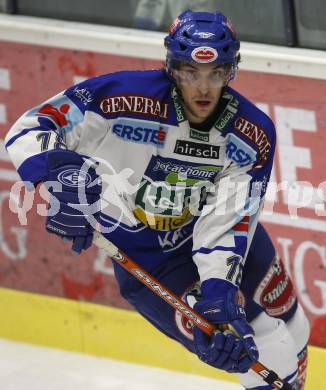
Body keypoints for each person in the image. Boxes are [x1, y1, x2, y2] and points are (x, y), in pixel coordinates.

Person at [5, 10, 310, 390]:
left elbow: (229, 217)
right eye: (190, 71)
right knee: (263, 346)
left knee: (292, 323)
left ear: (231, 70)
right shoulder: (121, 98)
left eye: (217, 72)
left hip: (216, 236)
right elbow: (34, 126)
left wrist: (218, 288)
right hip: (151, 261)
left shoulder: (250, 133)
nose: (203, 88)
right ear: (171, 66)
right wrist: (56, 177)